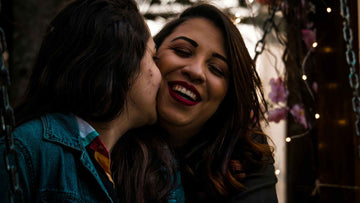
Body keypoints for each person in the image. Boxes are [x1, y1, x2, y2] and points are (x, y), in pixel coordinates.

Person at [111, 3, 278, 203]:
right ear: (150, 58)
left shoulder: (246, 153)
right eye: (182, 51)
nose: (196, 71)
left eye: (216, 69)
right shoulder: (107, 126)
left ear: (227, 98)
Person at [0, 0, 161, 202]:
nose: (159, 73)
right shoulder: (29, 149)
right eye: (154, 57)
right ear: (124, 64)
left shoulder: (137, 165)